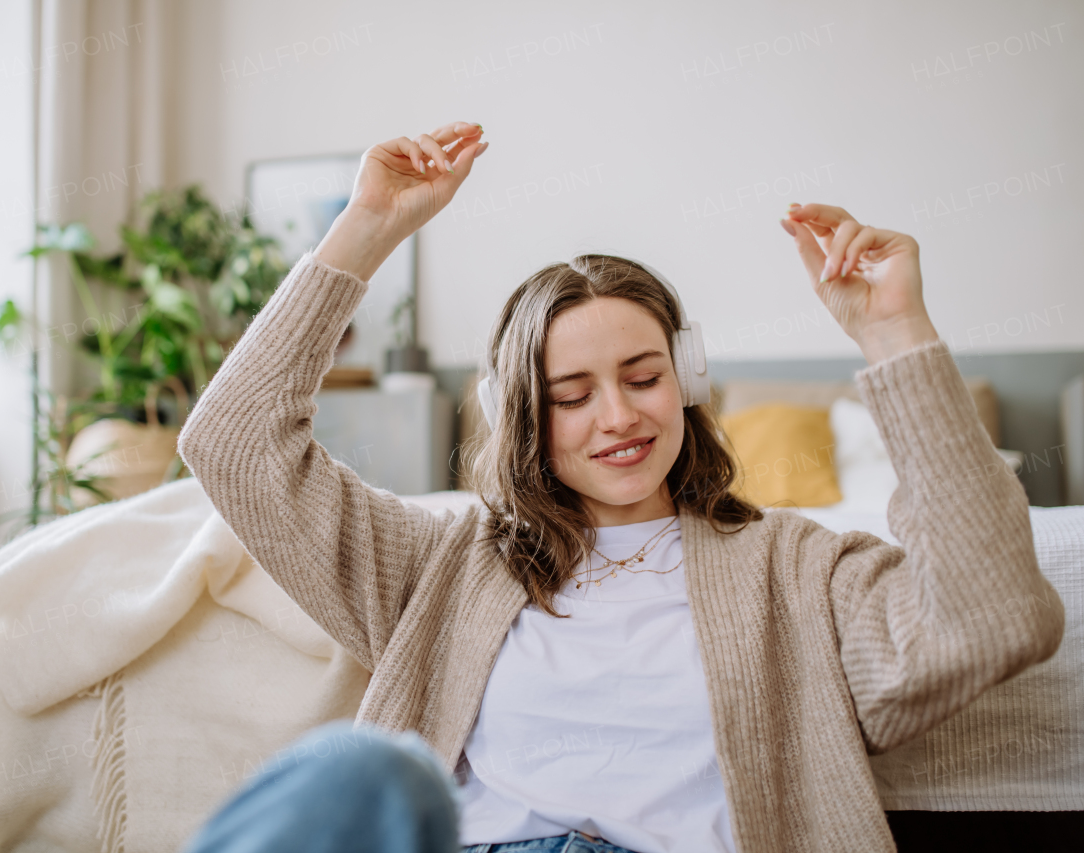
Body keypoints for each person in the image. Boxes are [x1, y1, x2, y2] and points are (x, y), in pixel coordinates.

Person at [175, 120, 1066, 853]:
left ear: (689, 378)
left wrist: (894, 331)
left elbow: (997, 615)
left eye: (643, 378)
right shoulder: (438, 565)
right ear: (519, 412)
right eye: (571, 395)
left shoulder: (795, 569)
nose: (618, 418)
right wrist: (368, 228)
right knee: (359, 770)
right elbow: (234, 442)